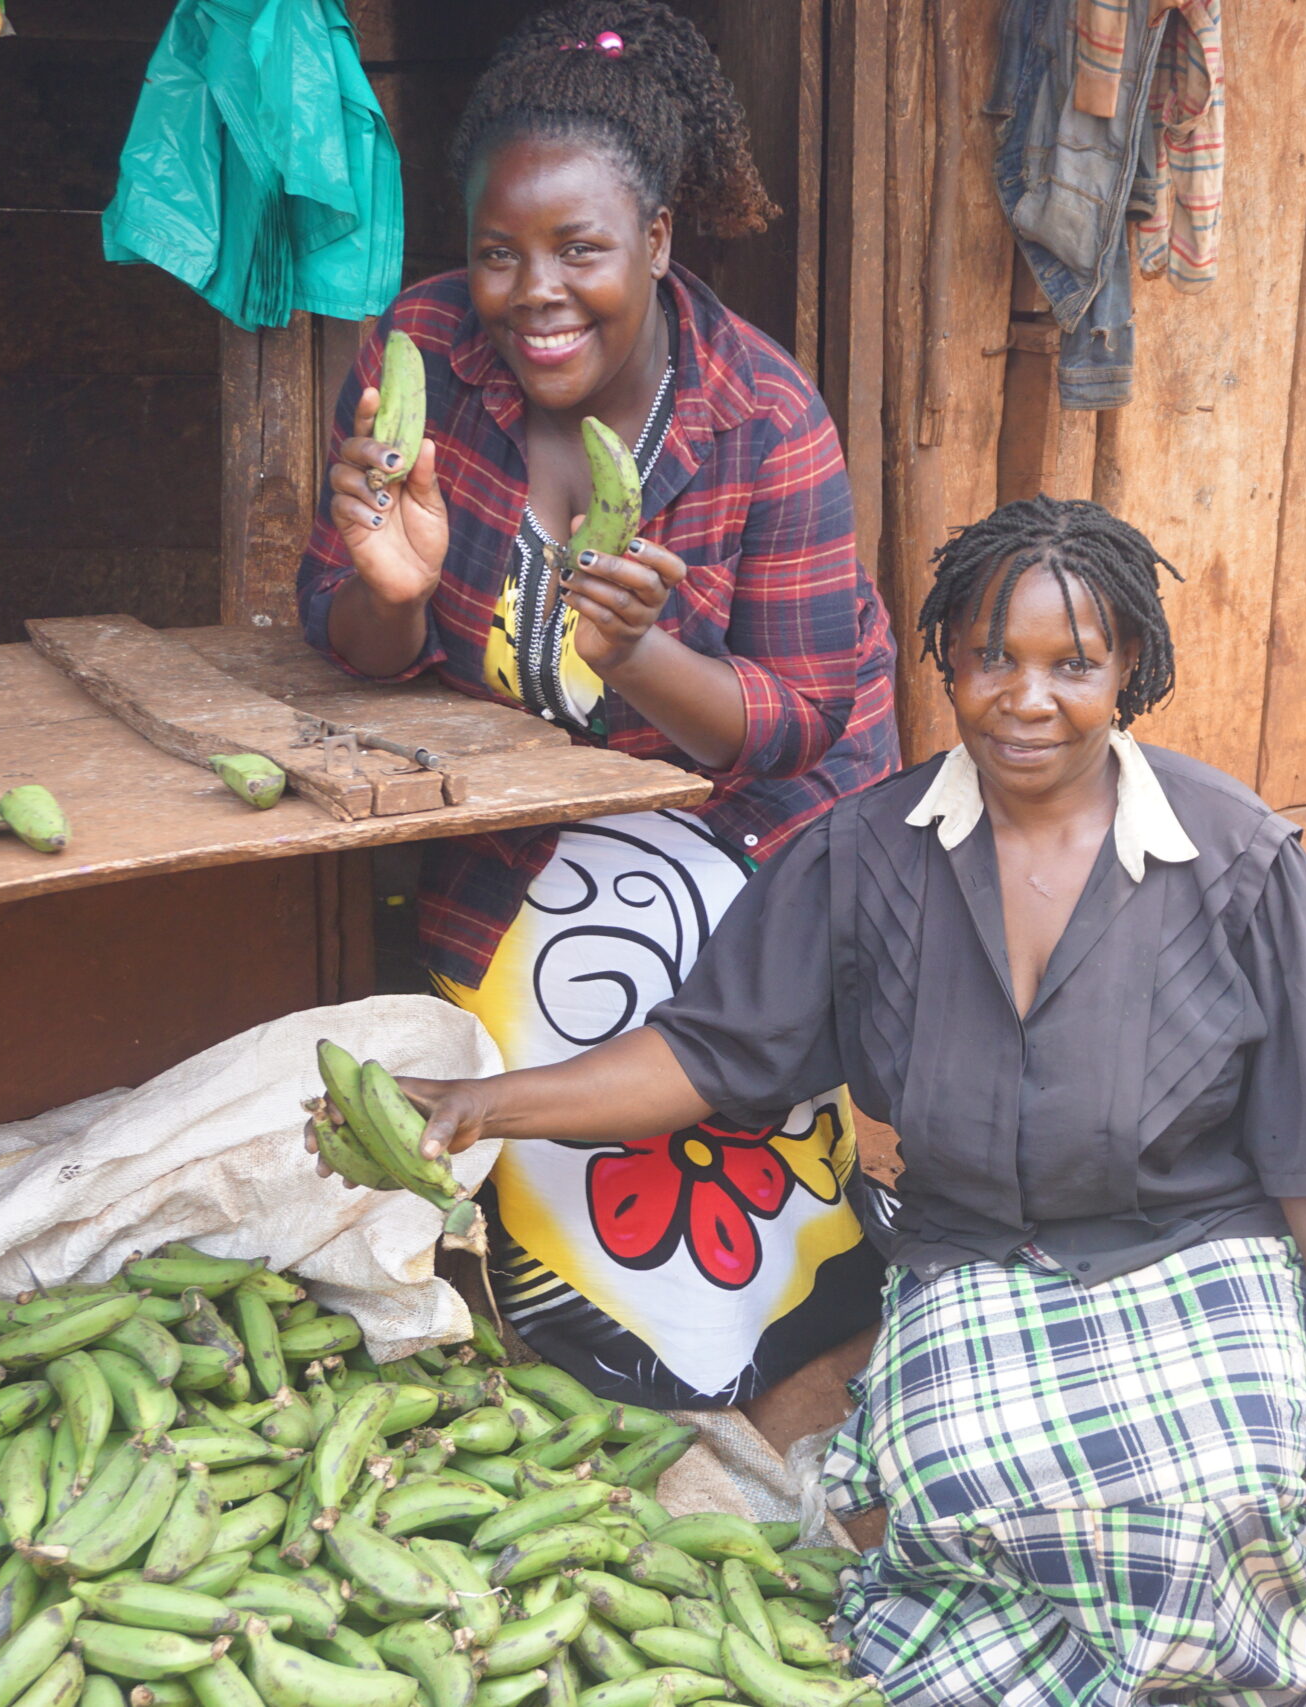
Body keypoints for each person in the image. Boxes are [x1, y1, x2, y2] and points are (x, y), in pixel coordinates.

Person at [346, 495, 1306, 1706]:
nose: (1027, 697)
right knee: (962, 1492)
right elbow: (704, 1057)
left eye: (1074, 665)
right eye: (992, 656)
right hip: (977, 1260)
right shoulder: (864, 855)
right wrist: (485, 1104)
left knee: (1204, 1502)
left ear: (1131, 672)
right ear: (945, 655)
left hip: (1189, 1254)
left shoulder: (1239, 860)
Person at [295, 0, 902, 1410]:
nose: (535, 294)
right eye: (500, 253)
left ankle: (789, 1273)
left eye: (581, 251)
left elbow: (799, 721)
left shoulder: (763, 420)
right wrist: (395, 586)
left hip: (757, 820)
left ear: (658, 244)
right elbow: (349, 635)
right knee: (492, 1096)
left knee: (668, 1113)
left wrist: (636, 657)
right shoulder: (425, 358)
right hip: (533, 810)